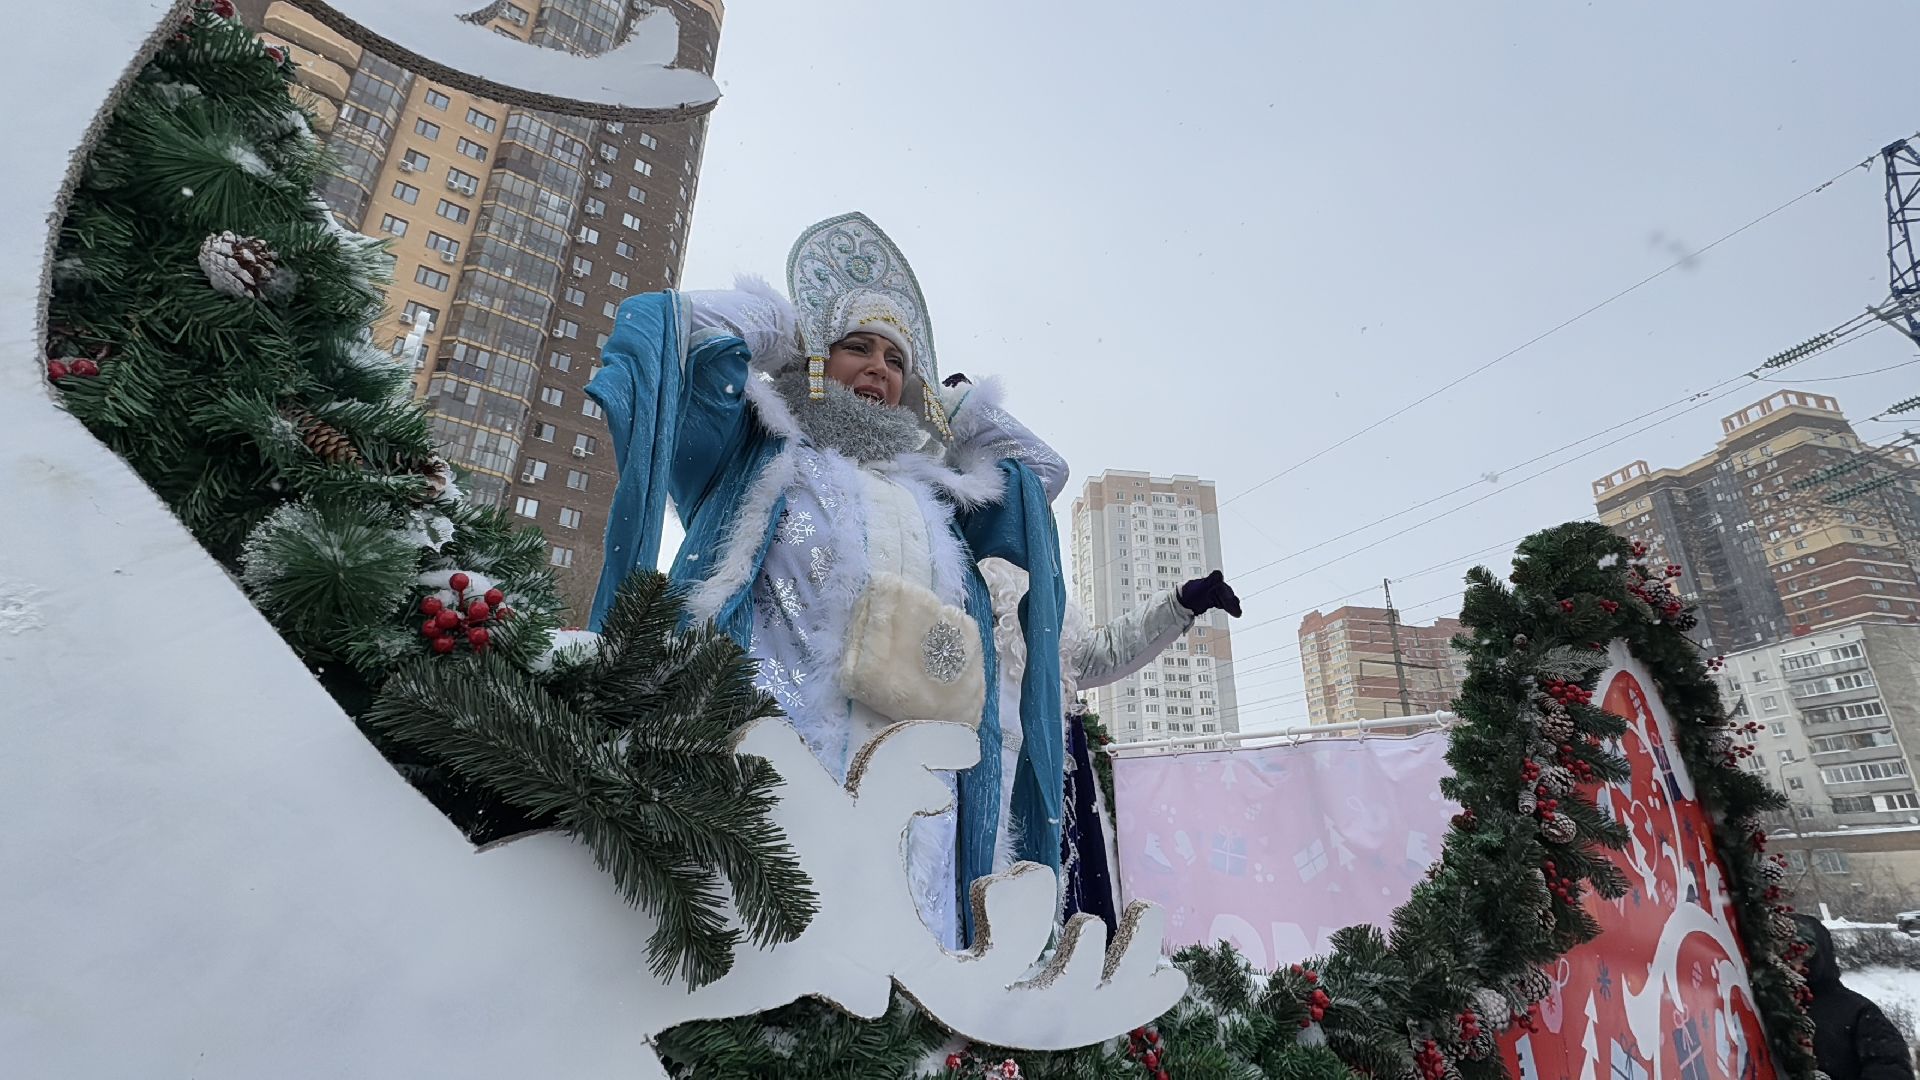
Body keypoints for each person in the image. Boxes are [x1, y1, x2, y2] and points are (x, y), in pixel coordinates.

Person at [585, 213, 1072, 948]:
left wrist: (955, 405)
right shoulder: (762, 446)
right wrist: (786, 327)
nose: (879, 366)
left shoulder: (931, 493)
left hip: (918, 791)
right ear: (817, 357)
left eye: (896, 360)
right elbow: (676, 331)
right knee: (762, 945)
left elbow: (1043, 473)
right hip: (769, 749)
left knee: (901, 971)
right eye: (856, 347)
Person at [978, 557, 1241, 930]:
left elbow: (1110, 650)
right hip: (975, 774)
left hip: (1050, 780)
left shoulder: (1055, 613)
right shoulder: (963, 582)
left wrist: (1181, 601)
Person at [1791, 914, 1915, 1080]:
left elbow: (1890, 1069)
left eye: (1799, 951)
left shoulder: (1858, 1012)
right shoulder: (1760, 1007)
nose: (1791, 962)